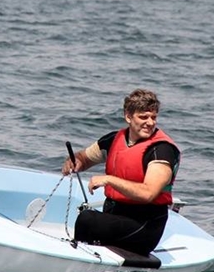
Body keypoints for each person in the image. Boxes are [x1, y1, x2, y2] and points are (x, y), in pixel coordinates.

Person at [61, 89, 180, 256]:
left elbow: (148, 193)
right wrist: (75, 162)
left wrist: (109, 180)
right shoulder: (113, 140)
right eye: (143, 117)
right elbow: (84, 158)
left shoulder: (161, 150)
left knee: (87, 219)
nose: (150, 122)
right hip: (116, 215)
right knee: (88, 220)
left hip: (145, 225)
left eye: (153, 117)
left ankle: (78, 258)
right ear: (128, 117)